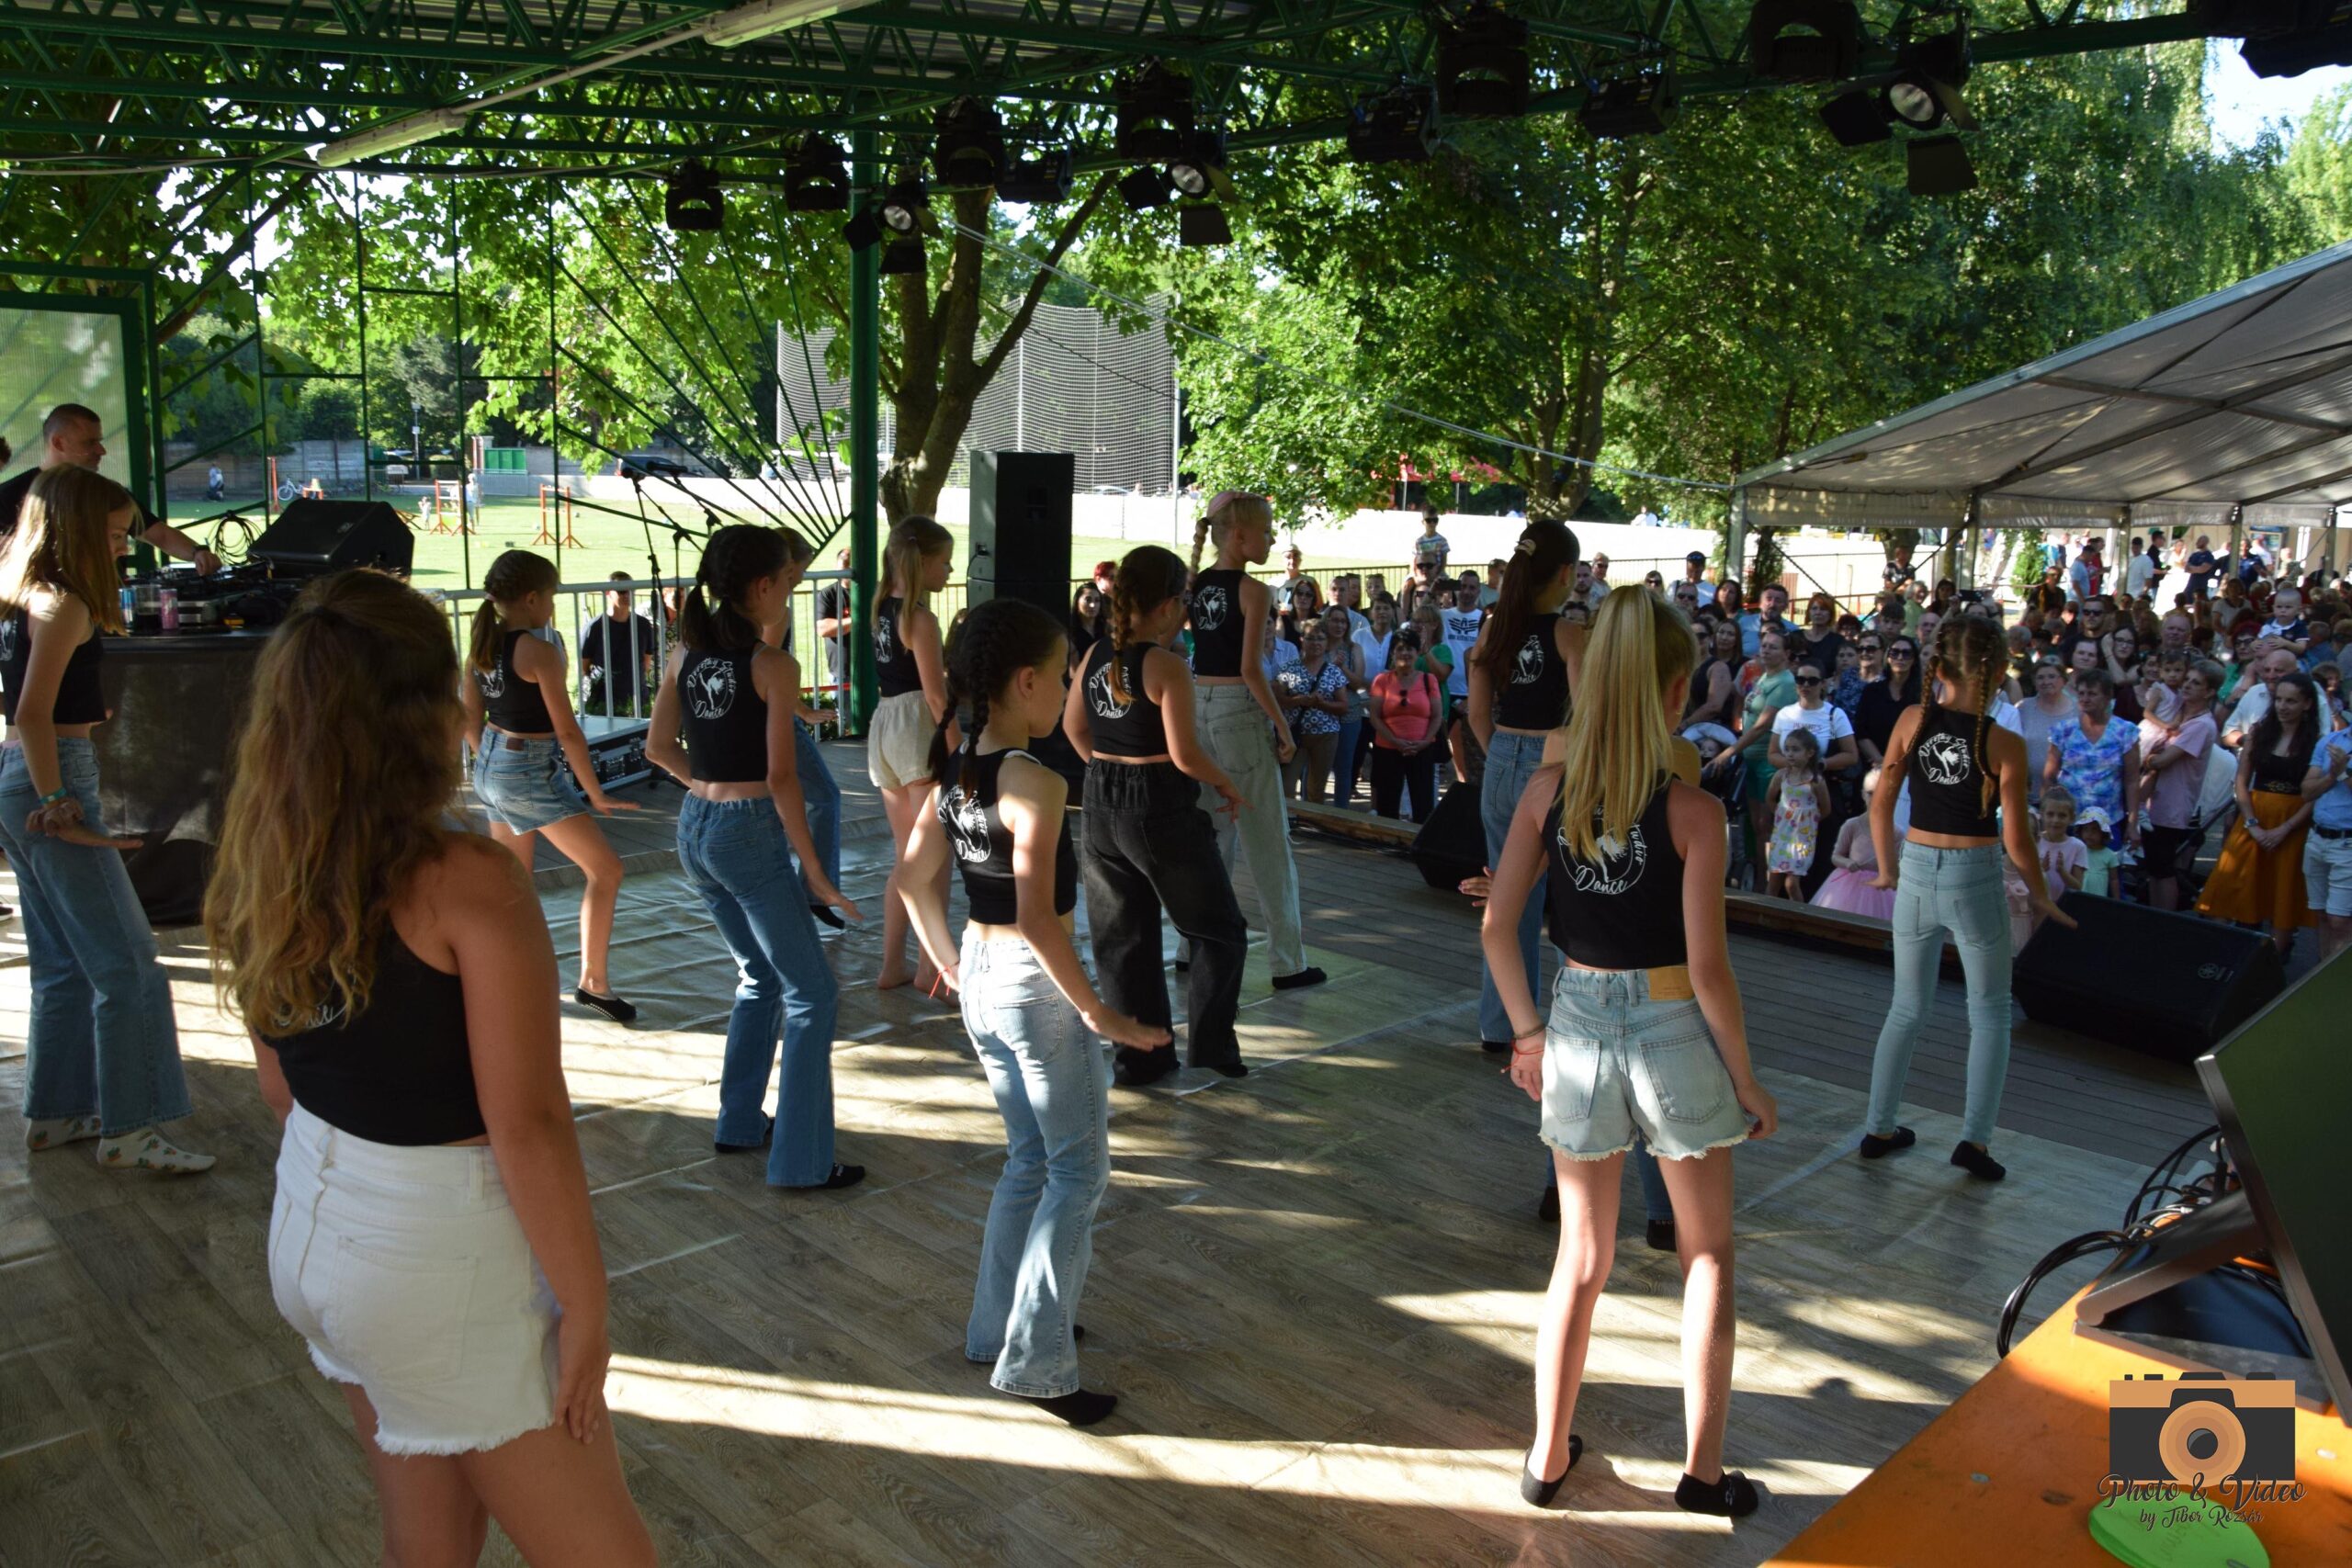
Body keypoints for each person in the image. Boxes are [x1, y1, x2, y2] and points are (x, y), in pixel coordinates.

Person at [206, 570, 657, 1565]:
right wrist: (587, 1304)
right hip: (433, 1260)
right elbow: (527, 1123)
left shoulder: (260, 857)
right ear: (423, 712)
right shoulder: (468, 882)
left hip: (315, 1223)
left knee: (431, 1539)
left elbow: (281, 1089)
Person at [1483, 585, 1777, 1518]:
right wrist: (1746, 1080)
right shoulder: (1696, 813)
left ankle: (1545, 1458)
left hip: (1573, 1023)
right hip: (1672, 1025)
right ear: (1677, 688)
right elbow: (1710, 973)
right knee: (1707, 1256)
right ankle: (1701, 1475)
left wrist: (1528, 1032)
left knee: (1580, 1256)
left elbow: (1496, 926)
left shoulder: (1546, 793)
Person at [899, 598, 1170, 1427]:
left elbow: (910, 880)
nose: (1065, 691)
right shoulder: (1037, 782)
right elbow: (1041, 919)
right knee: (1078, 1173)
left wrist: (952, 964)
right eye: (1061, 676)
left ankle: (1001, 1328)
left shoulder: (956, 771)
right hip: (1032, 984)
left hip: (983, 975)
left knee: (1029, 1160)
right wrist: (1100, 1014)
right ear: (1025, 681)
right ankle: (1036, 1363)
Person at [0, 467, 210, 1172]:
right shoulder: (65, 602)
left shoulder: (25, 590)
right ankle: (131, 1127)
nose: (126, 546)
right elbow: (33, 712)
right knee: (130, 965)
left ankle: (58, 1112)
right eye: (118, 534)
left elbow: (28, 706)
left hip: (19, 775)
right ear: (79, 530)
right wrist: (58, 800)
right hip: (48, 780)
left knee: (62, 962)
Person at [644, 526, 864, 1189]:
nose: (791, 594)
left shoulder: (685, 652)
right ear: (763, 587)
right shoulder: (772, 666)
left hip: (695, 829)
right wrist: (816, 873)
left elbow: (658, 748)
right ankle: (801, 1162)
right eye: (789, 582)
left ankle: (740, 1119)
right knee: (813, 992)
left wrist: (711, 791)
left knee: (759, 977)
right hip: (744, 836)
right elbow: (782, 778)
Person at [1862, 616, 2071, 1184]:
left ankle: (1879, 1127)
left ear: (1939, 666)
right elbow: (2017, 840)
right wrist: (2042, 895)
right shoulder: (2005, 742)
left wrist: (1886, 868)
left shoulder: (1912, 719)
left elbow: (1881, 803)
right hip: (1974, 874)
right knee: (1990, 1011)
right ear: (1998, 670)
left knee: (1906, 1008)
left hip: (1916, 867)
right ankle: (1974, 1141)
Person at [1066, 546, 1250, 1088]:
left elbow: (1073, 727)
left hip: (1100, 801)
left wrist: (1108, 770)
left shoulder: (1095, 654)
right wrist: (1226, 782)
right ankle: (1211, 1048)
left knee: (1123, 937)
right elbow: (1185, 754)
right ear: (1170, 605)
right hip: (1158, 804)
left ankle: (1141, 1059)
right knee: (1218, 929)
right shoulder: (1167, 666)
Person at [460, 549, 640, 1022]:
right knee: (606, 870)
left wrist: (493, 766)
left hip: (491, 764)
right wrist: (595, 793)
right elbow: (568, 732)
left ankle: (502, 976)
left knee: (516, 883)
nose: (553, 605)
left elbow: (468, 718)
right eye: (552, 596)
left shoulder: (480, 647)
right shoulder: (538, 652)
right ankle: (593, 983)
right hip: (525, 769)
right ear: (532, 598)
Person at [1187, 490, 1326, 990]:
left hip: (1199, 706)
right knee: (1267, 841)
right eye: (1266, 532)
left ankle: (1191, 946)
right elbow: (1250, 668)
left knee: (1210, 834)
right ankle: (1288, 961)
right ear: (1240, 536)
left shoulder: (1198, 583)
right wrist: (1283, 727)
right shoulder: (1254, 590)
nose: (1271, 540)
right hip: (1237, 715)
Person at [1466, 520, 1584, 1055]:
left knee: (1506, 897)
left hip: (1501, 759)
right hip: (1553, 763)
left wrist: (1503, 756)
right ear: (1565, 573)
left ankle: (1501, 1026)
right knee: (1572, 895)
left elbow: (1476, 715)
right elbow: (1585, 719)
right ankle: (1577, 1021)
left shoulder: (1494, 629)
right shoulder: (1569, 634)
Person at [868, 514, 956, 990]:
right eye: (944, 562)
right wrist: (959, 749)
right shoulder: (919, 619)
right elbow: (936, 695)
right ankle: (930, 969)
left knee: (907, 857)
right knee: (933, 859)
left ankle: (892, 965)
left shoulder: (881, 607)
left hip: (884, 725)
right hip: (915, 727)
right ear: (922, 563)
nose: (949, 570)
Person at [0, 403, 222, 572]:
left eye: (100, 441)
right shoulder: (8, 496)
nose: (102, 450)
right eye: (90, 443)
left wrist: (197, 552)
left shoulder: (106, 493)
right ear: (58, 443)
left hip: (109, 609)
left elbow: (159, 534)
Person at [2199, 672, 2321, 953]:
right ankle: (2220, 957)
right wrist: (2252, 823)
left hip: (2292, 824)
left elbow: (2314, 796)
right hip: (2254, 817)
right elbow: (2242, 781)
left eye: (2291, 701)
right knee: (2228, 885)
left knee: (2283, 895)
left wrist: (2285, 829)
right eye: (2279, 699)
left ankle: (2273, 962)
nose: (2283, 706)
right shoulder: (2259, 733)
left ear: (2307, 704)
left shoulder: (2316, 742)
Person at [1706, 629, 1796, 872]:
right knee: (1755, 825)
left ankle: (1768, 881)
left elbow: (1761, 726)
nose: (1766, 650)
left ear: (1786, 653)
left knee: (1767, 825)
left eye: (1773, 647)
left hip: (1769, 761)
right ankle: (1756, 874)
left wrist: (1728, 752)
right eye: (1764, 645)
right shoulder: (1764, 677)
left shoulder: (1786, 683)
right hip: (1752, 759)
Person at [2141, 661, 2220, 911]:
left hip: (2172, 806)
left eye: (2196, 683)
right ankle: (2154, 915)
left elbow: (2162, 761)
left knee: (2164, 869)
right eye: (2187, 679)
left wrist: (2146, 758)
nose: (2187, 685)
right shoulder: (2180, 714)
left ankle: (2164, 919)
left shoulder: (2201, 725)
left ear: (2209, 692)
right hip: (2155, 802)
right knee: (2154, 867)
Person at [2044, 669, 2142, 843]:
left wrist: (2133, 823)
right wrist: (2046, 818)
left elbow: (2132, 780)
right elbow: (2049, 777)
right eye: (2081, 693)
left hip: (2108, 821)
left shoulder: (2125, 732)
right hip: (2067, 821)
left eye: (2092, 694)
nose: (2085, 698)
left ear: (2108, 697)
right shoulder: (2064, 730)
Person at [1368, 633, 1444, 821]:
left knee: (1423, 804)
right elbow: (1375, 717)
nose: (1405, 653)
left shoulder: (1429, 680)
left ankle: (1419, 839)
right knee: (1387, 806)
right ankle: (1388, 838)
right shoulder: (1381, 680)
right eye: (1400, 649)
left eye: (1410, 649)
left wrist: (1425, 742)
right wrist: (1395, 741)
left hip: (1422, 749)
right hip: (1388, 748)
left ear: (1417, 653)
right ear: (1392, 653)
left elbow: (1437, 716)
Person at [1275, 623, 1349, 800]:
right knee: (1287, 785)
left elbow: (1343, 706)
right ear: (1302, 640)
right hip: (1295, 735)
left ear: (1326, 643)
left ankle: (1311, 818)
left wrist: (1322, 704)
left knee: (1316, 789)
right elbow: (1278, 701)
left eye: (1320, 639)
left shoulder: (1334, 672)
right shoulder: (1289, 668)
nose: (1315, 643)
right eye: (1310, 638)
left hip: (1325, 736)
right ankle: (1289, 817)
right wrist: (1297, 700)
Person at [1813, 768, 1895, 919]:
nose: (1875, 799)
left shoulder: (1896, 831)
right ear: (1863, 794)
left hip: (1881, 888)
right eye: (1870, 793)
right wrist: (1847, 863)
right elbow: (1836, 856)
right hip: (1849, 885)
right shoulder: (1852, 825)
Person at [2302, 721, 2352, 961]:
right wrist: (2333, 775)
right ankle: (2323, 975)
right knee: (2321, 915)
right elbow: (2307, 791)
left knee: (2340, 920)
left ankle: (2341, 981)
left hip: (2348, 844)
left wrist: (2342, 772)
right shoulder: (2330, 740)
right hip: (2317, 838)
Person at [579, 571, 659, 719]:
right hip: (603, 703)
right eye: (622, 591)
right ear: (608, 592)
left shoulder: (643, 625)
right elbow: (583, 667)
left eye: (631, 590)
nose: (627, 595)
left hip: (638, 700)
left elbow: (646, 663)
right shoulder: (594, 627)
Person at [1763, 728, 1828, 901]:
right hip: (1782, 835)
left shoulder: (1815, 781)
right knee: (1774, 881)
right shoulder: (1781, 776)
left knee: (1791, 883)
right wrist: (1783, 816)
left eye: (1796, 749)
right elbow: (1770, 798)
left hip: (1801, 839)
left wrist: (1808, 821)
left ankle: (1799, 913)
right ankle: (1767, 913)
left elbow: (1826, 808)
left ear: (1810, 753)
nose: (1790, 754)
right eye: (1787, 749)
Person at [1318, 604, 1371, 807]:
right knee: (1316, 767)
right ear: (1326, 622)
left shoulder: (1353, 648)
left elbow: (1358, 683)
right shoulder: (1318, 645)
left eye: (1343, 622)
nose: (1339, 625)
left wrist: (1342, 668)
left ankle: (1341, 813)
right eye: (1335, 620)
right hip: (1321, 713)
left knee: (1344, 768)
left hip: (1349, 714)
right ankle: (1311, 812)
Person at [2017, 658, 2077, 803]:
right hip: (2028, 794)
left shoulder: (2078, 711)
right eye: (2040, 677)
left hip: (2068, 798)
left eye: (2051, 676)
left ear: (2063, 680)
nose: (2046, 681)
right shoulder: (2022, 708)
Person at [811, 549, 853, 711]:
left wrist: (841, 626)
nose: (847, 572)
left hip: (874, 670)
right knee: (844, 717)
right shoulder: (828, 594)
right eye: (843, 567)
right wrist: (859, 620)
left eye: (850, 567)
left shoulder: (874, 590)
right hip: (841, 672)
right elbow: (823, 629)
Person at [1685, 617, 1742, 731]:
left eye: (1701, 636)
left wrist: (1683, 725)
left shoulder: (1718, 667)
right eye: (1691, 635)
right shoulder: (1681, 665)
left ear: (1711, 638)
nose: (1696, 639)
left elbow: (1714, 707)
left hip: (1709, 730)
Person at [2076, 807, 2123, 897]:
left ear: (2103, 833)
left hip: (2099, 897)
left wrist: (2116, 899)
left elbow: (2114, 879)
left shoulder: (2109, 855)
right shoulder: (2079, 851)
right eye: (2086, 829)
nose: (2089, 834)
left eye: (2094, 830)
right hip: (2079, 896)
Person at [1414, 508, 1450, 574]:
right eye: (1428, 520)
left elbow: (1444, 562)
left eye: (1435, 520)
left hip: (1439, 575)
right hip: (1423, 575)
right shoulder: (1419, 542)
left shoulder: (1442, 541)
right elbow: (1415, 561)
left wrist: (1437, 576)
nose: (1432, 523)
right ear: (1423, 522)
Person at [2186, 536, 2217, 600]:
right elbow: (2186, 568)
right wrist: (2196, 568)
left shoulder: (2209, 556)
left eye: (2199, 541)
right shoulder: (2194, 555)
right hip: (2191, 585)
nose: (2196, 543)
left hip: (2201, 586)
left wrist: (2192, 568)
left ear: (2205, 542)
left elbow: (2203, 569)